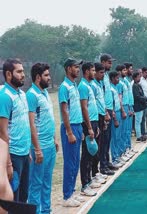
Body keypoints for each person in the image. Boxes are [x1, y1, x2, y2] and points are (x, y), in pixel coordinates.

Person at [26, 63, 58, 213]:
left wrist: (55, 138)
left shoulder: (44, 93)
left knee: (47, 182)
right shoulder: (31, 95)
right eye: (46, 75)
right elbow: (31, 124)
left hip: (50, 145)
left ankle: (47, 210)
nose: (49, 78)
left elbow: (49, 118)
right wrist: (37, 150)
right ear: (38, 77)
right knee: (36, 184)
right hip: (39, 148)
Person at [0, 59, 31, 203]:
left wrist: (28, 150)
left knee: (24, 194)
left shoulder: (22, 94)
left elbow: (24, 124)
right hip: (13, 155)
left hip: (24, 153)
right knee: (14, 197)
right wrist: (8, 163)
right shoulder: (5, 96)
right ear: (8, 74)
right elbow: (2, 132)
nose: (23, 75)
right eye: (19, 72)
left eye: (23, 71)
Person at [58, 58, 84, 207]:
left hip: (77, 126)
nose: (77, 69)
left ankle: (72, 193)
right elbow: (64, 110)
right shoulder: (64, 87)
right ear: (68, 69)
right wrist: (69, 132)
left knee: (75, 162)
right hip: (70, 127)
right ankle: (67, 196)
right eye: (75, 67)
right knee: (69, 162)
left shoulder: (74, 85)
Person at [78, 62, 103, 197]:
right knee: (87, 155)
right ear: (87, 71)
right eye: (93, 70)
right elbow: (84, 108)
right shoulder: (83, 86)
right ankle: (85, 184)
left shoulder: (88, 85)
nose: (94, 72)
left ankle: (90, 179)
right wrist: (88, 127)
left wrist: (96, 125)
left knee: (92, 153)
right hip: (87, 124)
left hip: (93, 122)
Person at [91, 63, 115, 177]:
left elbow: (102, 100)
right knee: (100, 143)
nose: (103, 75)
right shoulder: (93, 85)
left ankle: (105, 163)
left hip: (104, 113)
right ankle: (101, 167)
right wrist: (104, 113)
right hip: (97, 116)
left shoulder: (100, 83)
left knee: (106, 140)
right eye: (101, 73)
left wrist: (106, 112)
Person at [100, 54, 118, 172]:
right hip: (104, 110)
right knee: (104, 139)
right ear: (103, 62)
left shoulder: (106, 76)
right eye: (109, 63)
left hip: (109, 108)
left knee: (108, 138)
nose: (111, 65)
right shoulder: (101, 77)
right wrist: (106, 110)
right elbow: (101, 95)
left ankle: (107, 161)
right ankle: (103, 166)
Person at [132, 72, 147, 142]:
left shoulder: (138, 85)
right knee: (137, 122)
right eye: (138, 77)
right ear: (135, 78)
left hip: (141, 106)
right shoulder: (134, 86)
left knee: (139, 121)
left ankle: (140, 135)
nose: (139, 78)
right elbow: (137, 96)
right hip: (137, 106)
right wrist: (144, 98)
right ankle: (138, 136)